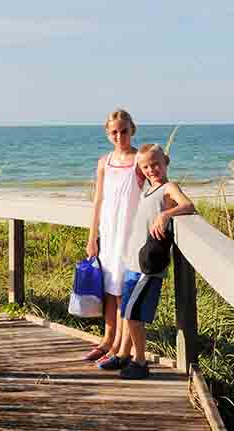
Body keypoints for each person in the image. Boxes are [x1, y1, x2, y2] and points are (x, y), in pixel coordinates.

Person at [99, 144, 196, 379]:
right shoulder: (148, 190)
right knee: (127, 312)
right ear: (141, 169)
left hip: (149, 266)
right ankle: (124, 356)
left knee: (133, 315)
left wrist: (165, 215)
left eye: (156, 164)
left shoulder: (168, 188)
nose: (152, 169)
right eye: (146, 166)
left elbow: (188, 205)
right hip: (133, 262)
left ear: (166, 163)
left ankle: (140, 362)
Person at [83, 109, 143, 362]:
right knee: (109, 289)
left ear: (132, 130)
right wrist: (92, 235)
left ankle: (120, 346)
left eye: (124, 131)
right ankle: (108, 340)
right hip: (109, 231)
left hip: (130, 233)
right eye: (115, 132)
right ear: (108, 134)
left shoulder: (141, 159)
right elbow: (98, 200)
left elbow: (159, 184)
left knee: (122, 291)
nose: (120, 136)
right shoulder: (104, 162)